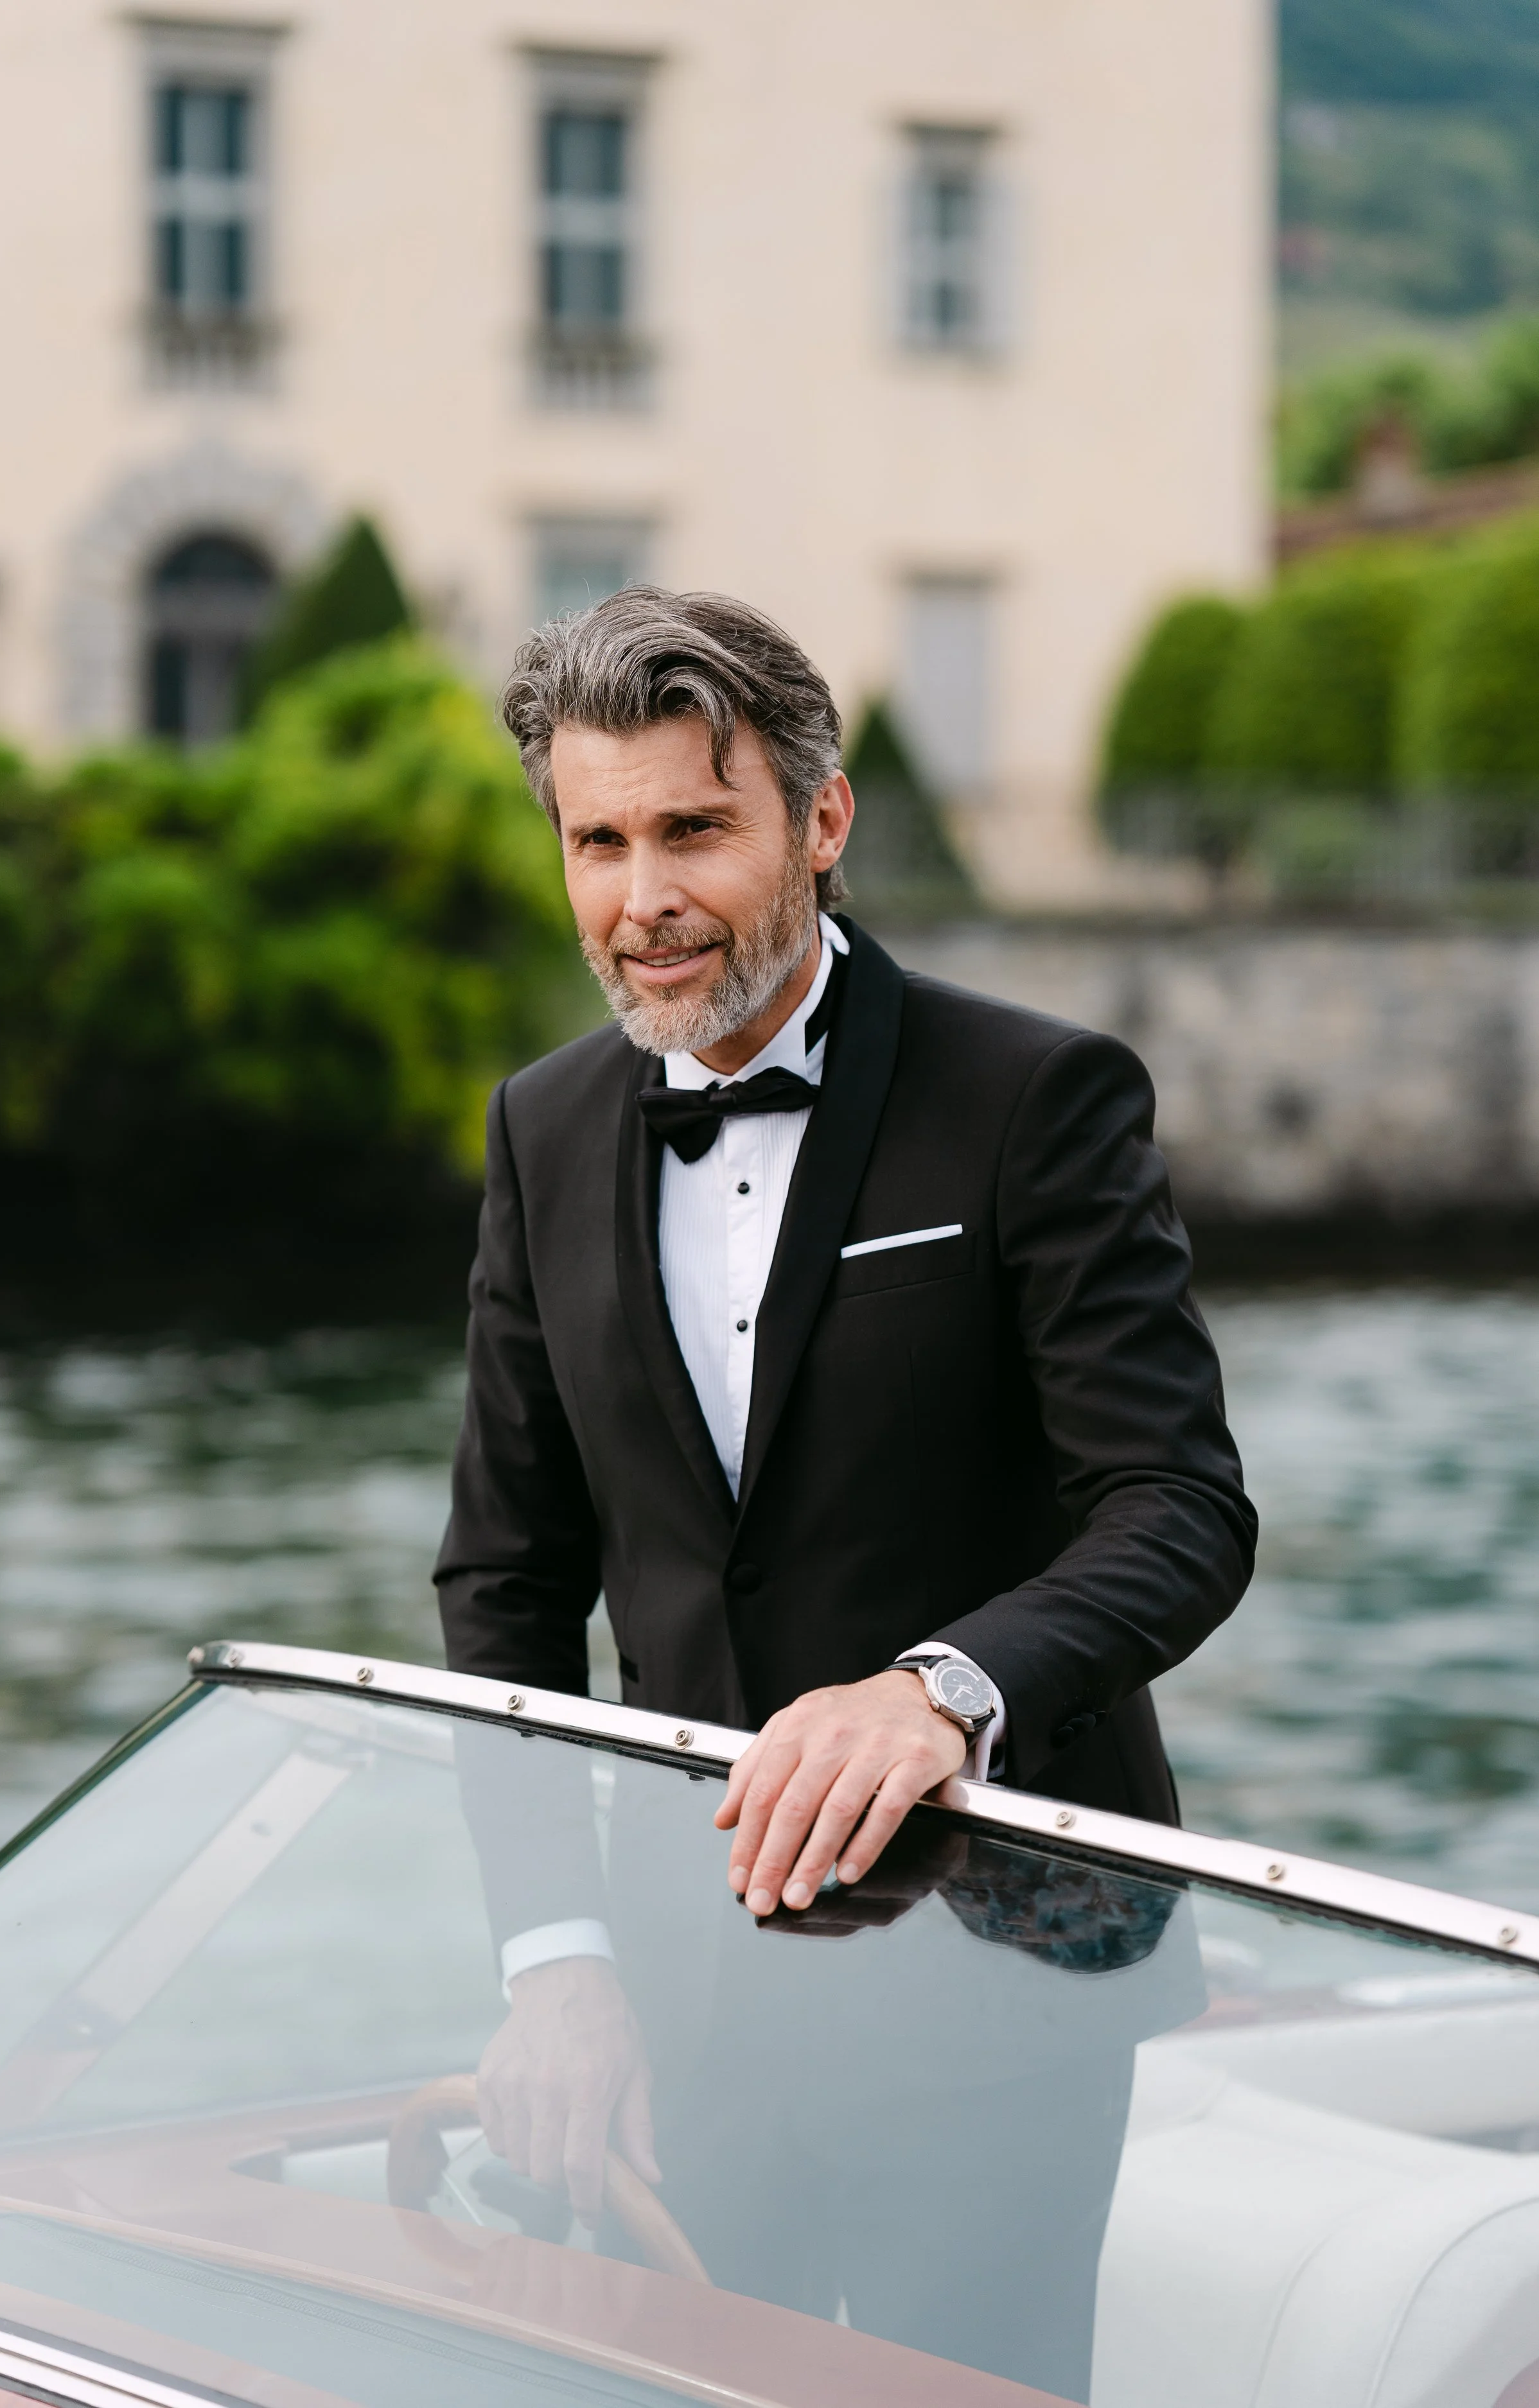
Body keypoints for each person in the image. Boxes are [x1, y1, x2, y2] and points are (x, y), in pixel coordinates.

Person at [434, 586, 1254, 2383]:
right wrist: (557, 1963)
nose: (641, 897)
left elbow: (1179, 1509)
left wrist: (943, 1689)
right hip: (681, 1990)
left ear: (821, 819)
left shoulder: (1036, 1096)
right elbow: (506, 1583)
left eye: (692, 830)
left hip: (1005, 1975)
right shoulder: (541, 1128)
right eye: (597, 841)